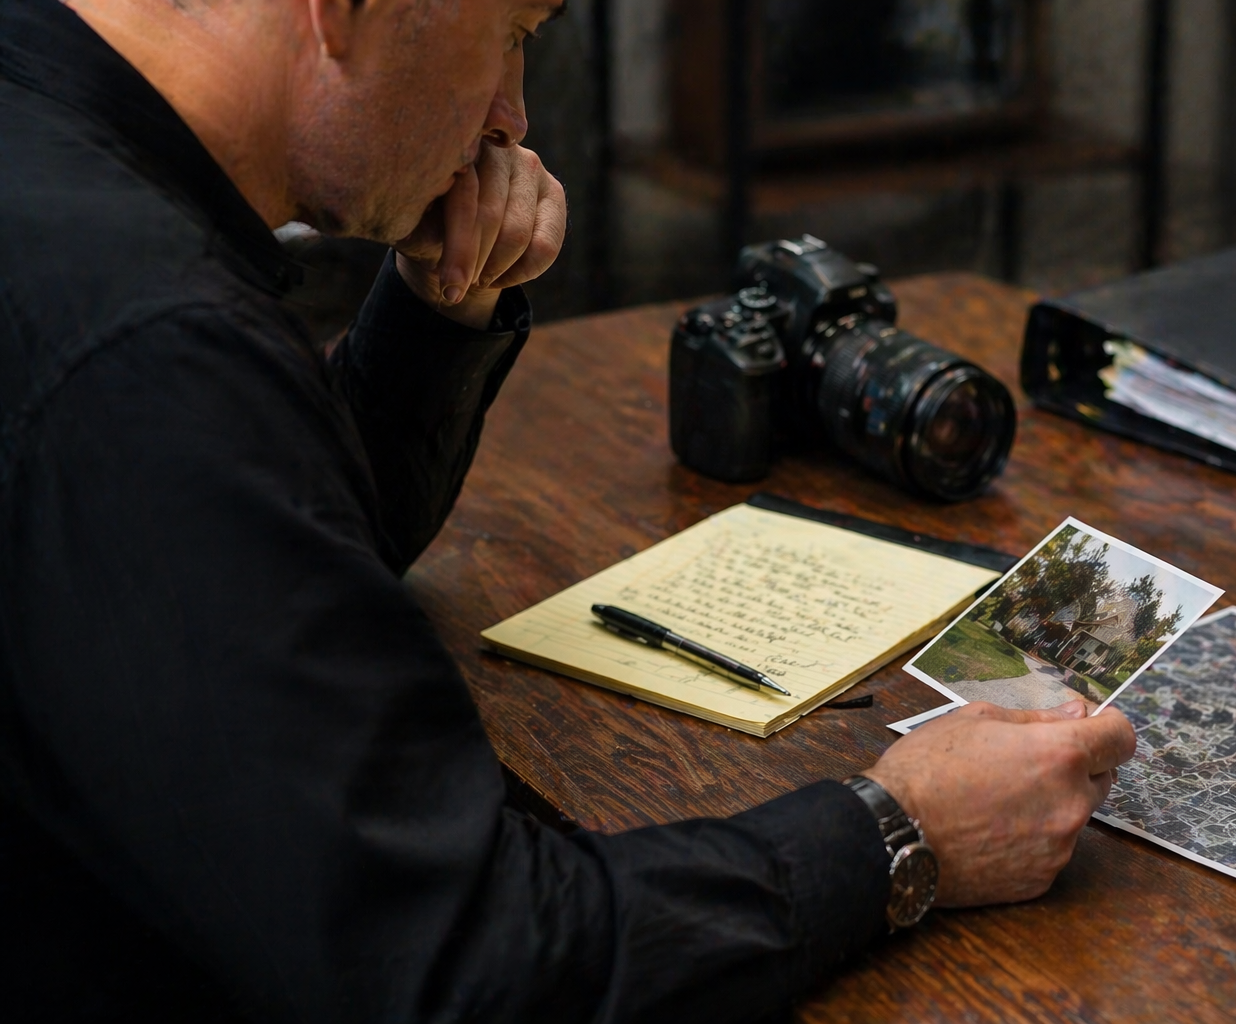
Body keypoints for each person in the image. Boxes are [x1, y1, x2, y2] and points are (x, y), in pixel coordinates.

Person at [0, 0, 1138, 1020]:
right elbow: (467, 964)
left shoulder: (56, 154)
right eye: (513, 31)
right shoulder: (150, 351)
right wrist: (903, 829)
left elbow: (263, 560)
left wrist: (440, 314)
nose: (510, 115)